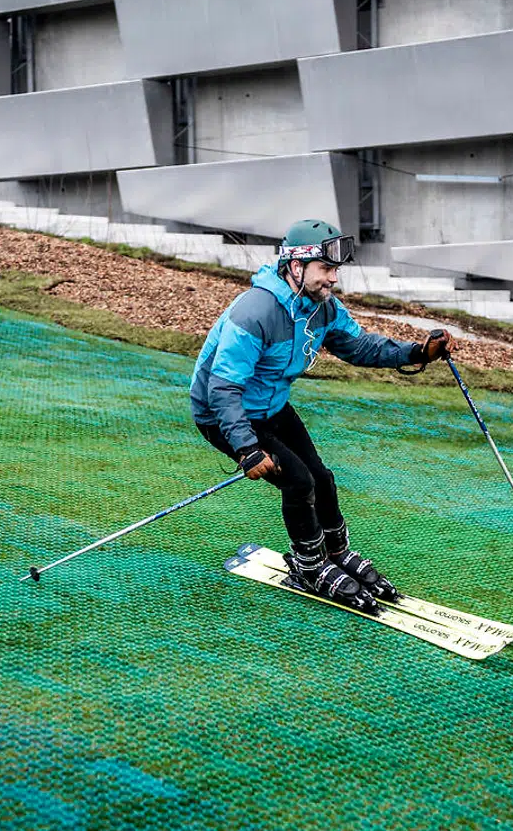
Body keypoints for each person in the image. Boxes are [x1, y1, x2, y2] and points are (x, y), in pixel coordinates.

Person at [191, 219, 454, 613]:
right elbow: (222, 387)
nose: (333, 279)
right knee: (298, 483)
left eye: (335, 271)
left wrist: (416, 353)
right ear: (296, 267)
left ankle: (336, 552)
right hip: (224, 414)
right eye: (326, 269)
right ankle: (309, 565)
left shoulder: (322, 308)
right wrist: (245, 447)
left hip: (272, 407)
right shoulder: (256, 311)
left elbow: (359, 346)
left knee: (322, 479)